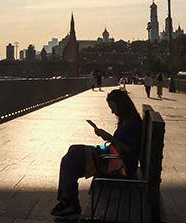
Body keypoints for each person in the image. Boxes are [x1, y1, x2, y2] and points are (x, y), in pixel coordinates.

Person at [52, 89, 143, 220]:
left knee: (73, 157)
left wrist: (110, 138)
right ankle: (69, 202)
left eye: (113, 108)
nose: (112, 112)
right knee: (72, 153)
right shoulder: (128, 120)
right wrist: (108, 138)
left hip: (120, 165)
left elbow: (132, 151)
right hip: (112, 158)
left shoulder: (134, 124)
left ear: (121, 105)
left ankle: (69, 202)